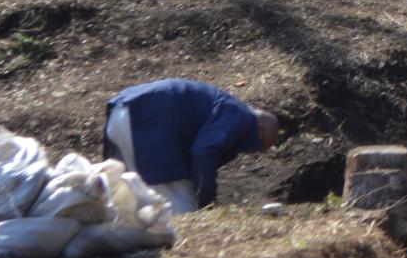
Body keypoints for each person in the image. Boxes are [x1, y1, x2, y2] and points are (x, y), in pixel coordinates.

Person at [102, 78, 278, 214]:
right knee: (182, 208)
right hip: (147, 120)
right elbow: (204, 152)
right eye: (258, 146)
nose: (250, 152)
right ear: (260, 128)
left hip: (124, 111)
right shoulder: (241, 116)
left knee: (132, 196)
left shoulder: (226, 106)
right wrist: (207, 203)